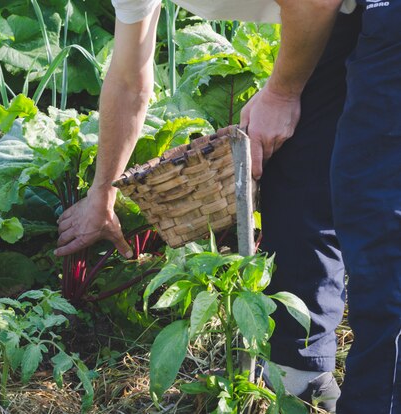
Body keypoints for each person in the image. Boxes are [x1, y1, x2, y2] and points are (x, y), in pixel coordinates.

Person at [56, 0, 399, 412]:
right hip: (342, 13)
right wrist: (102, 194)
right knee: (297, 165)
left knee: (378, 215)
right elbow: (130, 79)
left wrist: (281, 92)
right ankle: (300, 378)